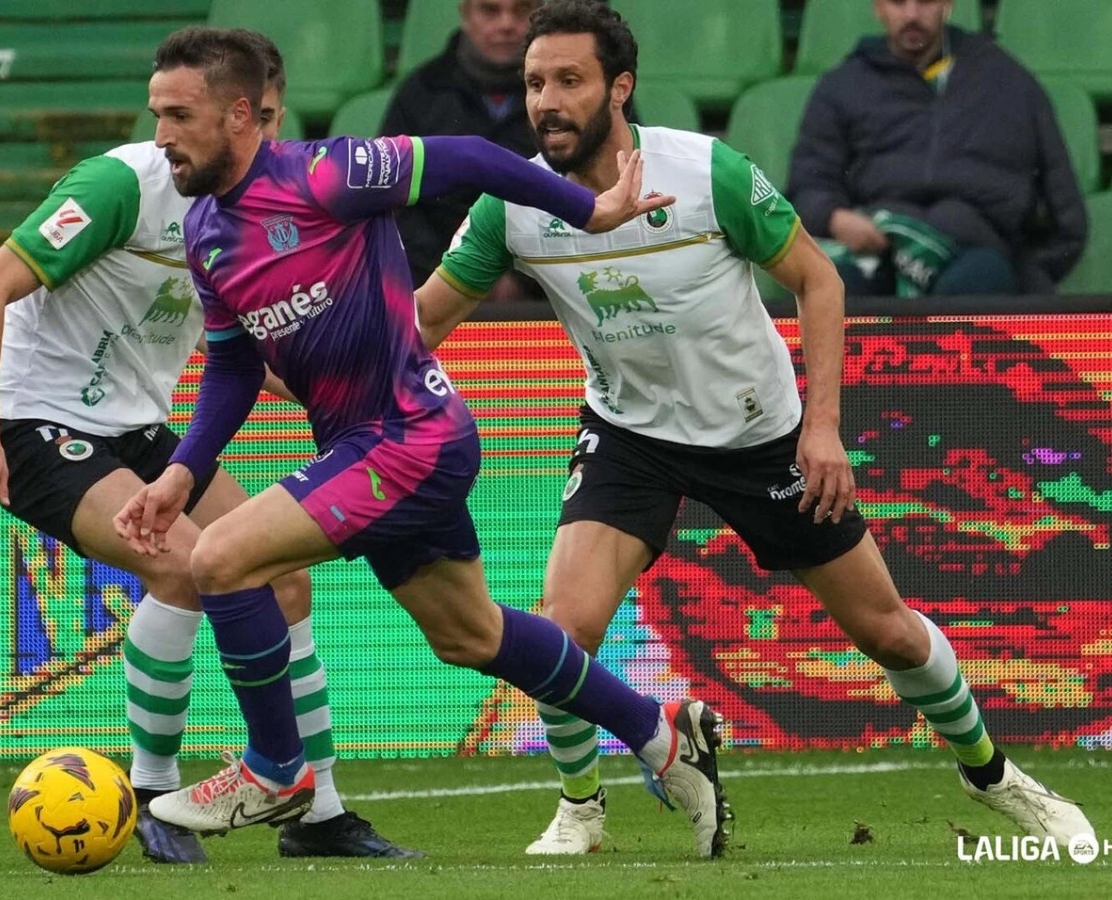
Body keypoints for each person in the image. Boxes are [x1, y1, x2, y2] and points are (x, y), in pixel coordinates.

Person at [415, 0, 1095, 855]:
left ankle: (993, 775)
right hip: (630, 434)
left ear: (619, 88)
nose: (546, 101)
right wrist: (322, 356)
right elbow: (423, 322)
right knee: (564, 628)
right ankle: (581, 808)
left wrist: (823, 428)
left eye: (569, 81)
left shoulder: (706, 174)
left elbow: (819, 280)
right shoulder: (511, 204)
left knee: (885, 631)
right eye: (534, 83)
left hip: (760, 437)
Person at [114, 25, 731, 860]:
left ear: (238, 115)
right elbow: (230, 366)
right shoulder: (205, 234)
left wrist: (590, 212)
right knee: (471, 635)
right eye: (156, 114)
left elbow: (471, 156)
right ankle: (661, 735)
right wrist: (181, 476)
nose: (161, 135)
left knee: (220, 559)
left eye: (179, 116)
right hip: (368, 449)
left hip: (410, 437)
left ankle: (278, 769)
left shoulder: (325, 176)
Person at [0, 31, 419, 862]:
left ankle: (319, 814)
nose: (171, 133)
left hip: (136, 425)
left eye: (270, 118)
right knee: (186, 567)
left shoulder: (248, 209)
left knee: (285, 575)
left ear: (263, 114)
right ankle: (153, 792)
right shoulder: (121, 186)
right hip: (35, 424)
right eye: (163, 115)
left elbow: (241, 345)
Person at [785, 0, 1086, 297]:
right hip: (877, 248)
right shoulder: (842, 86)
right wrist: (834, 218)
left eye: (926, 1)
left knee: (977, 282)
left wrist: (1031, 276)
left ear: (947, 4)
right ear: (879, 8)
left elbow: (1065, 214)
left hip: (975, 252)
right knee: (834, 289)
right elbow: (808, 184)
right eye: (898, 2)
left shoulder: (1009, 82)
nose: (912, 14)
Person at [382, 0, 539, 288]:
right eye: (490, 10)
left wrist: (524, 279)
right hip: (431, 282)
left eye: (521, 10)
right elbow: (391, 199)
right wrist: (456, 275)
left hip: (547, 289)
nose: (506, 24)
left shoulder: (571, 95)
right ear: (466, 15)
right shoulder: (420, 92)